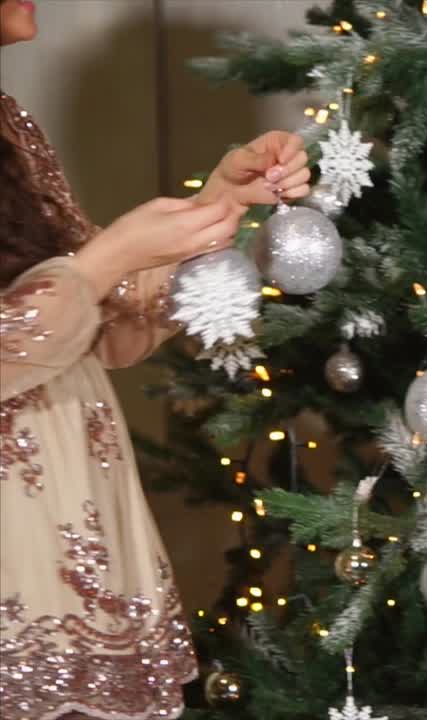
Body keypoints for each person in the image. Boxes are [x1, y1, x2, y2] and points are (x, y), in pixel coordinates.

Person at [0, 0, 311, 716]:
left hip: (77, 514)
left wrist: (216, 208)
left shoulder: (8, 124)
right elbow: (74, 291)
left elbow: (102, 326)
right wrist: (105, 259)